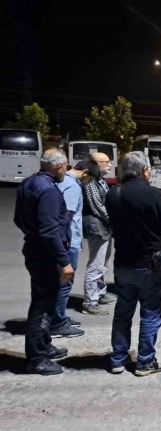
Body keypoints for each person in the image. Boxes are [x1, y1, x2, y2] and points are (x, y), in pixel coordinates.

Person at [105, 152, 161, 376]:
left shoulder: (113, 193)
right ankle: (145, 361)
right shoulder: (153, 194)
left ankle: (118, 358)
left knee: (123, 311)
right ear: (145, 170)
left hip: (123, 262)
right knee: (151, 312)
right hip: (150, 263)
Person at [14, 148, 74, 375]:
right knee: (43, 306)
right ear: (58, 167)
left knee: (45, 302)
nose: (66, 171)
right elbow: (50, 231)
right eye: (65, 167)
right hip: (46, 256)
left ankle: (44, 344)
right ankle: (36, 358)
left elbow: (18, 219)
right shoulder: (48, 190)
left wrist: (32, 234)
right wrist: (64, 261)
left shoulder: (29, 183)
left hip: (35, 250)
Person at [50, 161, 94, 338]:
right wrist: (66, 244)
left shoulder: (63, 181)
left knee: (61, 283)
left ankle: (60, 317)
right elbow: (66, 217)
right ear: (85, 173)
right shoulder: (72, 186)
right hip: (69, 242)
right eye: (89, 178)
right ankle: (58, 324)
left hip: (67, 241)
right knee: (64, 283)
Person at [81, 151, 115, 315]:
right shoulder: (90, 182)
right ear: (96, 164)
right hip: (97, 226)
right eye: (106, 161)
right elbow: (98, 207)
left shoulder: (100, 181)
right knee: (96, 264)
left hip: (104, 226)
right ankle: (90, 302)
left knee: (103, 263)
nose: (110, 164)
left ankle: (99, 293)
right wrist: (115, 219)